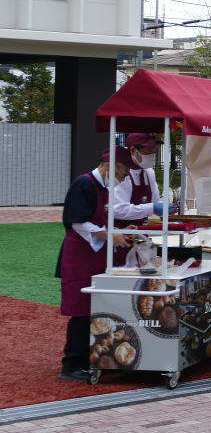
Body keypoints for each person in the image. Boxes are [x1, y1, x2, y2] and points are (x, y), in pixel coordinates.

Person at [56, 148, 135, 382]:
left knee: (96, 308)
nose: (124, 178)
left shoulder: (102, 187)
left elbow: (97, 222)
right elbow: (78, 223)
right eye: (124, 173)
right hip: (79, 257)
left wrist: (118, 232)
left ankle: (95, 358)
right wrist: (111, 236)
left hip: (93, 256)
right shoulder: (84, 184)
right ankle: (71, 364)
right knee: (81, 312)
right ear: (111, 166)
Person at [112, 133, 166, 226]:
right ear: (133, 150)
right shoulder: (121, 174)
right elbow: (118, 210)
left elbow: (155, 202)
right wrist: (152, 208)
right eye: (148, 152)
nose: (152, 155)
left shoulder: (149, 172)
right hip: (119, 233)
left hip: (140, 232)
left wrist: (165, 207)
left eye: (154, 151)